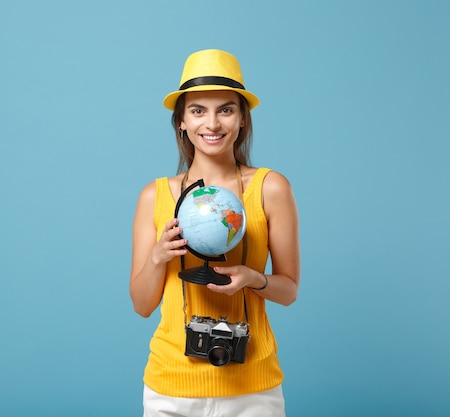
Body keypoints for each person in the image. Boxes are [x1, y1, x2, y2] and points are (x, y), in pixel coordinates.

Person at [130, 49, 300, 417]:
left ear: (242, 120)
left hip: (252, 387)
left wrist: (253, 279)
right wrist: (159, 257)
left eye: (225, 109)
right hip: (170, 388)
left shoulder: (271, 188)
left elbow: (289, 291)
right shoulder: (155, 196)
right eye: (197, 111)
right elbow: (142, 305)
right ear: (181, 122)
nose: (212, 123)